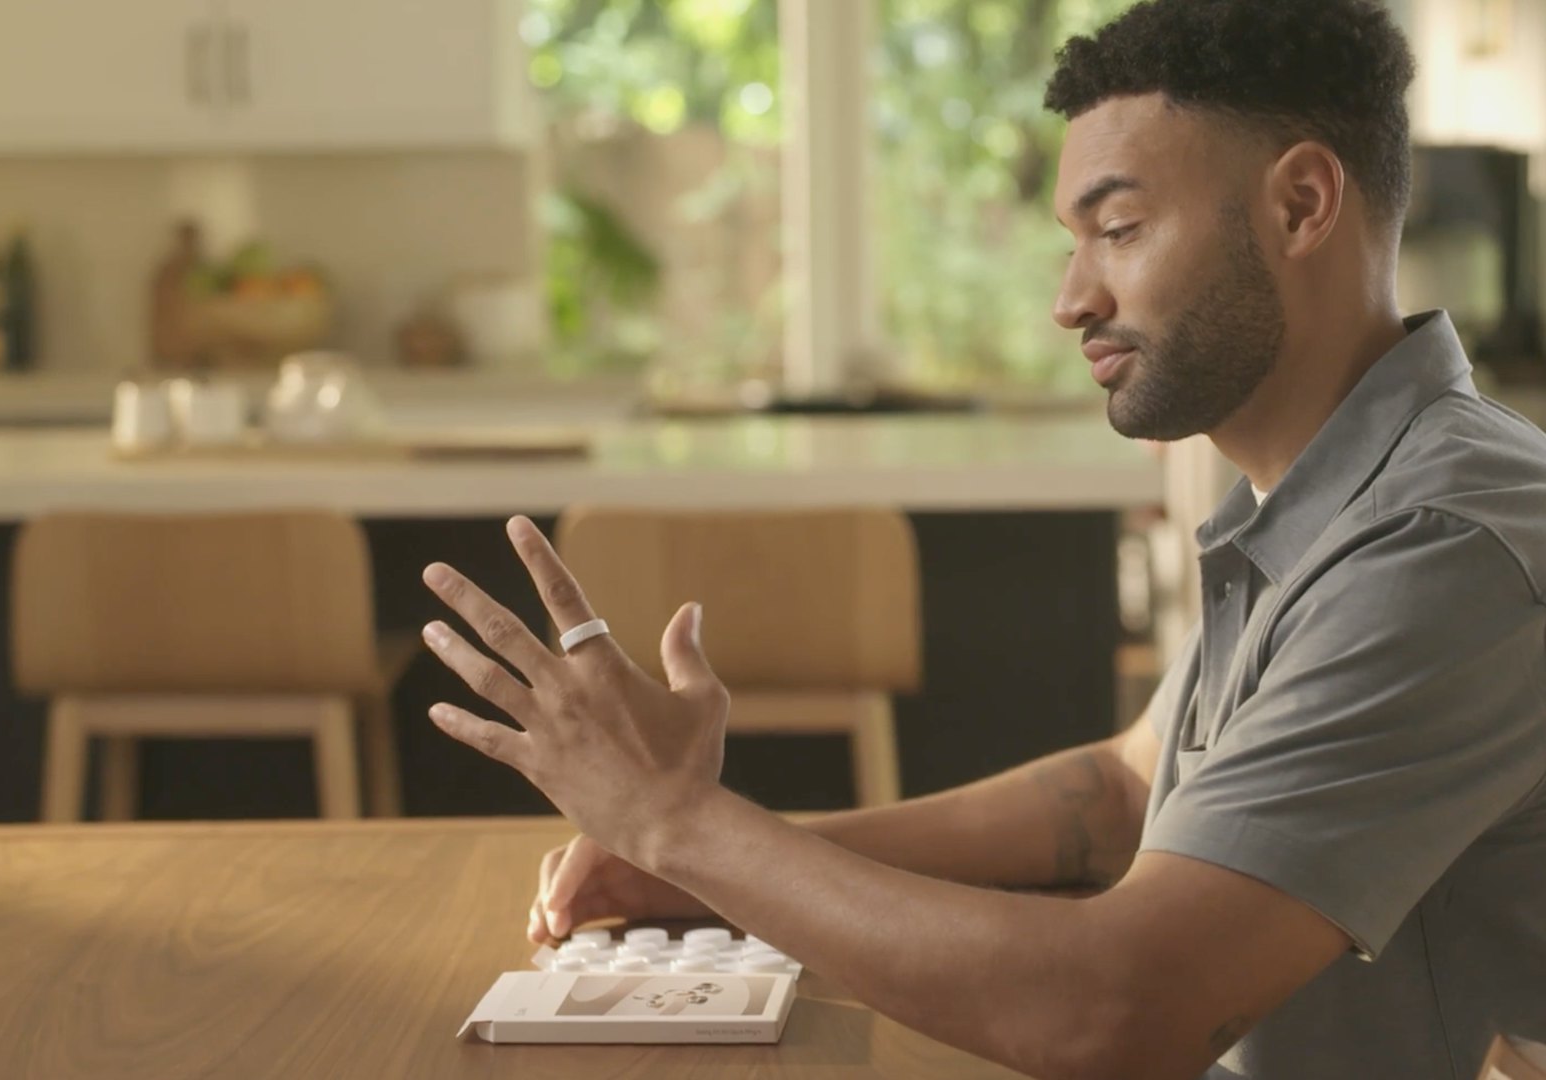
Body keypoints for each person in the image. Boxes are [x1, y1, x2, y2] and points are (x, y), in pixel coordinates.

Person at [415, 1, 1546, 1076]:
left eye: (1119, 229)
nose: (1071, 299)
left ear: (1301, 204)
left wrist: (681, 826)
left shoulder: (1441, 544)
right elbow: (1120, 792)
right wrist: (715, 867)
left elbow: (1115, 1012)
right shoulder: (1333, 495)